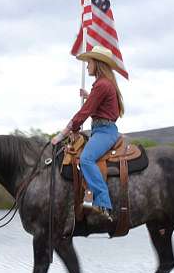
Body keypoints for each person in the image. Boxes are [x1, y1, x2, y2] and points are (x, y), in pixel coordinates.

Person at [51, 46, 125, 220]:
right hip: (100, 130)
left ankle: (103, 202)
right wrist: (89, 95)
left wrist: (63, 133)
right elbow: (97, 104)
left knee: (86, 159)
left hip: (104, 132)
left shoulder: (102, 85)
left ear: (97, 63)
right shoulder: (104, 84)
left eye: (89, 62)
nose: (87, 66)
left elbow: (84, 113)